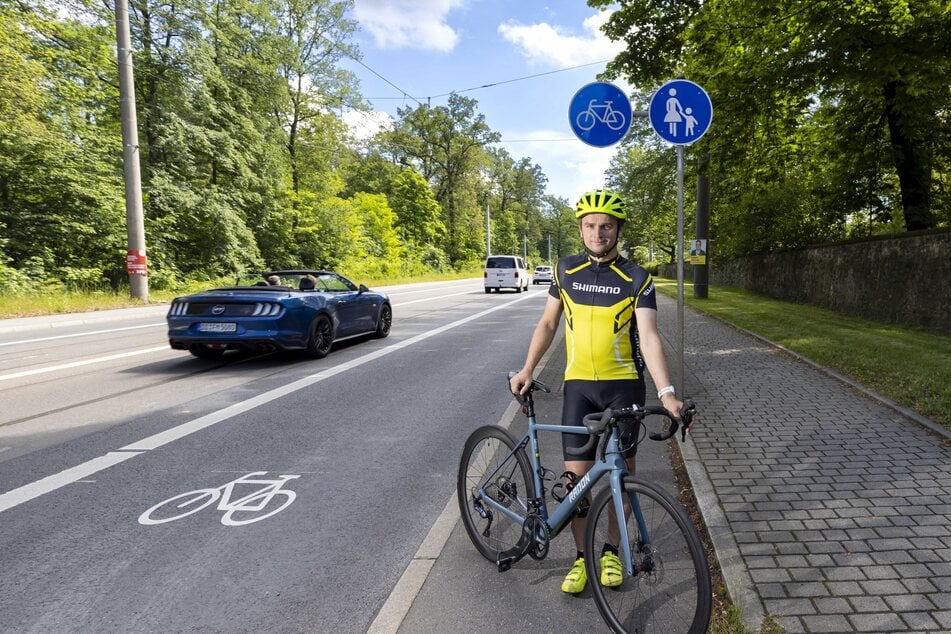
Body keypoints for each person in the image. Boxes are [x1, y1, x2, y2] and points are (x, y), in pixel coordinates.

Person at [509, 189, 686, 594]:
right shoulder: (565, 271)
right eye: (589, 225)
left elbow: (650, 336)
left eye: (606, 225)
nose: (597, 232)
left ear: (618, 229)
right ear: (581, 228)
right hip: (579, 390)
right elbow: (548, 325)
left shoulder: (637, 278)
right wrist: (528, 367)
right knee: (578, 485)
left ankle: (609, 550)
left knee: (622, 477)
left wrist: (668, 392)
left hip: (625, 390)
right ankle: (581, 558)